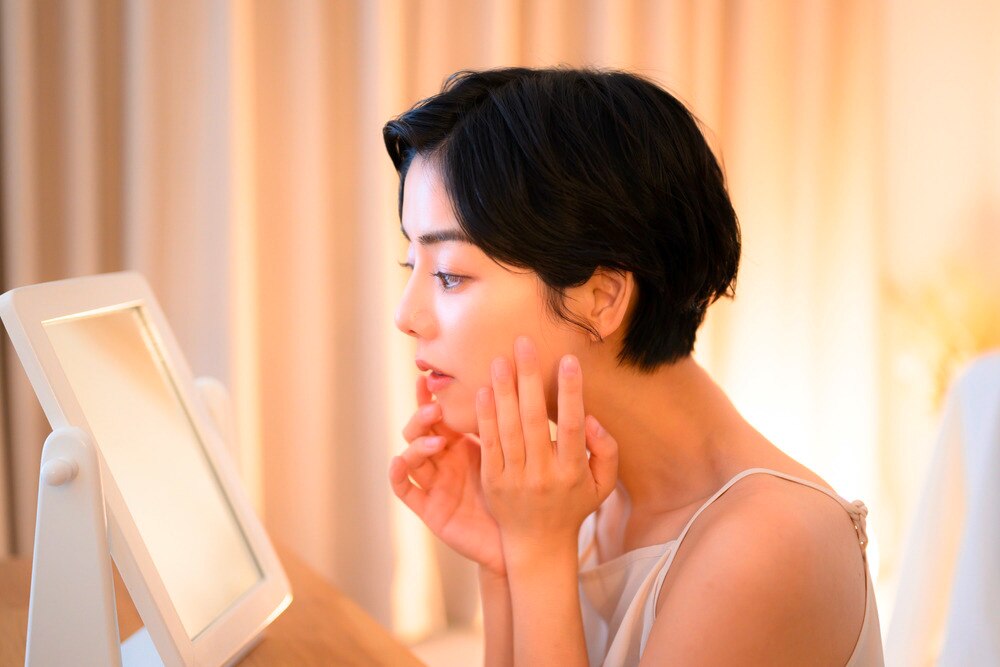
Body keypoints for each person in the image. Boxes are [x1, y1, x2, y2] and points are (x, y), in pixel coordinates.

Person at [384, 67, 883, 666]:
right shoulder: (583, 494)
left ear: (601, 298)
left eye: (449, 275)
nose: (405, 315)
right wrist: (507, 558)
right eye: (410, 264)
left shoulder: (766, 546)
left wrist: (538, 554)